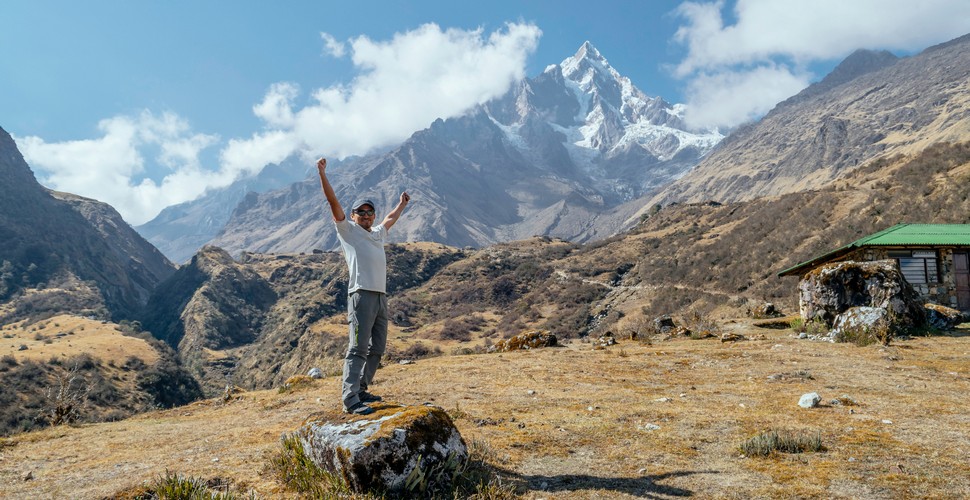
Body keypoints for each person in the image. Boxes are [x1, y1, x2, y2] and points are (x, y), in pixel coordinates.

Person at [316, 157, 410, 415]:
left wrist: (401, 205)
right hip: (361, 295)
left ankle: (361, 388)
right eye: (361, 212)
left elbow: (391, 218)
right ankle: (350, 399)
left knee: (377, 347)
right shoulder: (347, 231)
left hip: (380, 297)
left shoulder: (377, 232)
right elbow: (333, 202)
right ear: (354, 215)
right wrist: (322, 173)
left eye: (370, 212)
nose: (366, 216)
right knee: (357, 348)